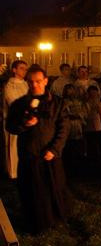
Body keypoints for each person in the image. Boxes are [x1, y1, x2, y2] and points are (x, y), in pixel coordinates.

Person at [6, 66, 71, 233]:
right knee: (32, 190)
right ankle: (35, 221)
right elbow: (10, 126)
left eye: (38, 81)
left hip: (50, 155)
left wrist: (55, 149)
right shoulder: (20, 104)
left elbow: (63, 128)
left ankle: (57, 218)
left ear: (46, 81)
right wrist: (24, 124)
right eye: (31, 81)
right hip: (29, 155)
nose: (35, 85)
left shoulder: (57, 103)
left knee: (54, 188)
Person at [3, 60, 28, 179]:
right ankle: (13, 172)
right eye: (21, 68)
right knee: (13, 146)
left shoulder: (26, 84)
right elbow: (13, 103)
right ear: (14, 70)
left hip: (27, 120)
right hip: (15, 121)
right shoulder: (10, 85)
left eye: (25, 69)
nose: (24, 71)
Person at [61, 84, 87, 176]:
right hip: (69, 125)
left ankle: (78, 166)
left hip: (78, 125)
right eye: (69, 90)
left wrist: (80, 116)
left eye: (72, 90)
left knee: (78, 145)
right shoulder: (63, 102)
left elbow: (83, 111)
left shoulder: (78, 101)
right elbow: (64, 113)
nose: (71, 92)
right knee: (70, 145)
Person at [84, 85, 101, 161]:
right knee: (91, 143)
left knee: (98, 143)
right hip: (89, 127)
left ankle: (98, 157)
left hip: (98, 126)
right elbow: (86, 114)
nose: (94, 95)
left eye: (95, 93)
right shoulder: (86, 103)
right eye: (92, 93)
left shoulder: (98, 102)